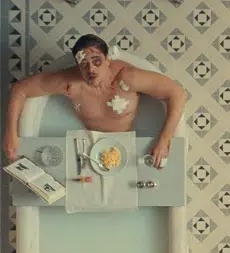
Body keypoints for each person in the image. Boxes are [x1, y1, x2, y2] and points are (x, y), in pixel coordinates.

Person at [3, 34, 186, 168]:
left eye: (97, 61)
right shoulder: (71, 83)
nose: (91, 69)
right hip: (88, 147)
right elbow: (20, 89)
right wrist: (11, 133)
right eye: (84, 64)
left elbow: (177, 94)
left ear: (107, 60)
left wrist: (165, 138)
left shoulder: (128, 79)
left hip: (127, 145)